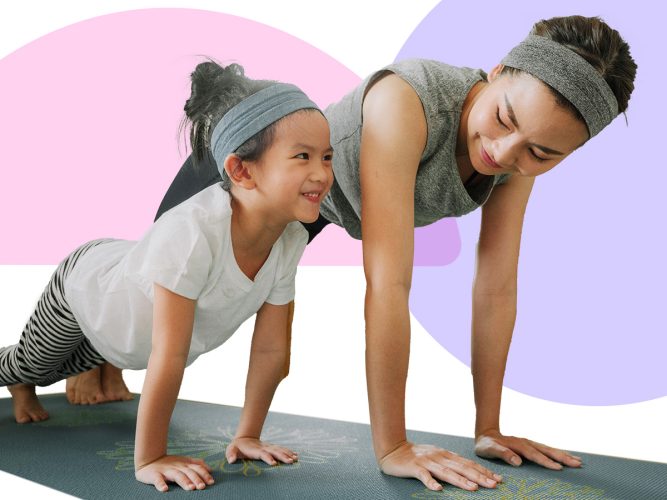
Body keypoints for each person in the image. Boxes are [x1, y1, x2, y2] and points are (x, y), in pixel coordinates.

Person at [74, 15, 638, 493]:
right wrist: (392, 445)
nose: (504, 152)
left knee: (242, 327)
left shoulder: (515, 157)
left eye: (541, 152)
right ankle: (90, 355)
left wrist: (487, 428)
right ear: (495, 74)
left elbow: (496, 286)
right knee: (146, 301)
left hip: (316, 210)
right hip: (259, 183)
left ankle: (105, 362)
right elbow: (389, 283)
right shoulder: (407, 102)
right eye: (504, 120)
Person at [0, 62, 334, 492]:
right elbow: (169, 354)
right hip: (85, 288)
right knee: (35, 362)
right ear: (241, 171)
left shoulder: (289, 240)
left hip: (123, 333)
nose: (322, 173)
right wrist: (151, 457)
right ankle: (21, 380)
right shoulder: (195, 232)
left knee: (78, 359)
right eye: (303, 156)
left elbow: (272, 350)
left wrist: (247, 434)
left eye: (327, 156)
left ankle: (29, 381)